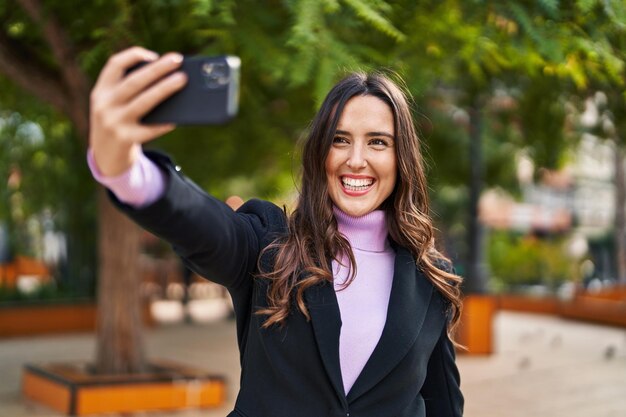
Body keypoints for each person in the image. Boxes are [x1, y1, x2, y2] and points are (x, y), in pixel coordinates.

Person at [88, 47, 464, 417]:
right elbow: (206, 226)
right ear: (320, 152)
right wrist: (127, 171)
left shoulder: (430, 277)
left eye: (378, 142)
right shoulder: (269, 244)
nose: (356, 159)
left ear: (402, 159)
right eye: (340, 139)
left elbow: (442, 403)